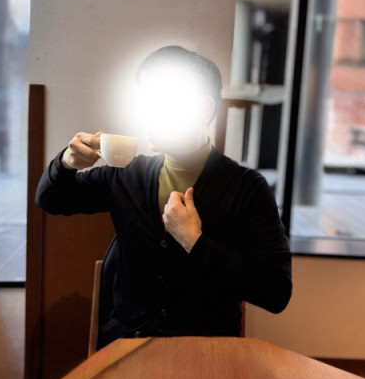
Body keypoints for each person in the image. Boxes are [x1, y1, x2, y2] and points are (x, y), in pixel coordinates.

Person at [35, 45, 292, 347]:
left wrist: (195, 243)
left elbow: (276, 293)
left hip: (204, 353)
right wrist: (66, 163)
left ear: (204, 110)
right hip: (126, 347)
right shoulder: (127, 175)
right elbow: (51, 199)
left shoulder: (246, 188)